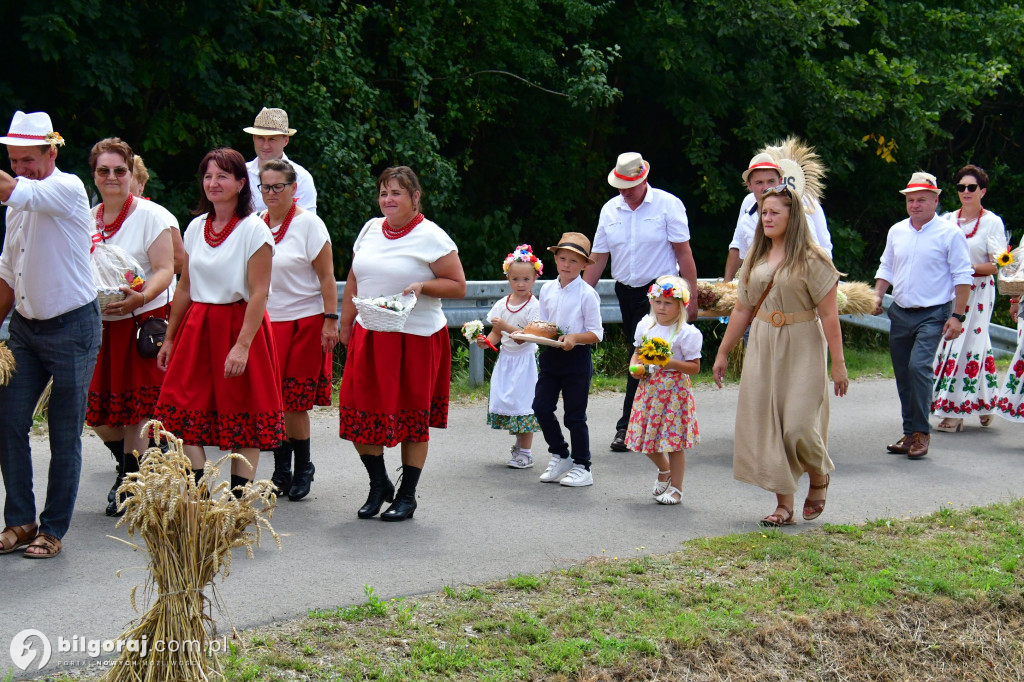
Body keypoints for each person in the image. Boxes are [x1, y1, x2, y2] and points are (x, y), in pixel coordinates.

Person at [712, 178, 847, 527]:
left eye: (774, 212)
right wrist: (723, 352)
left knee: (797, 427)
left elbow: (830, 316)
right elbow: (742, 308)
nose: (766, 218)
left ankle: (819, 476)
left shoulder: (813, 259)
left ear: (793, 217)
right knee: (771, 426)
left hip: (803, 342)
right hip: (763, 341)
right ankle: (784, 505)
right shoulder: (755, 256)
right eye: (762, 212)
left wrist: (839, 366)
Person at [338, 166, 466, 521]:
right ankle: (379, 484)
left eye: (396, 193)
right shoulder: (369, 229)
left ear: (415, 197)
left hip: (416, 338)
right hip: (371, 331)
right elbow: (353, 278)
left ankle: (407, 495)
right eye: (383, 193)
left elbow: (458, 285)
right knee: (357, 413)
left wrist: (424, 287)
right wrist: (346, 324)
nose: (388, 200)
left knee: (412, 419)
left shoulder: (432, 236)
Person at [0, 111, 101, 558]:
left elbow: (15, 189)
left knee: (64, 433)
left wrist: (16, 183)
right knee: (8, 422)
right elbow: (8, 273)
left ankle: (53, 527)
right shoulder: (20, 206)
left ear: (51, 152)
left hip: (72, 325)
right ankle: (20, 519)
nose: (21, 167)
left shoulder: (68, 187)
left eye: (28, 159)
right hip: (26, 327)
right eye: (13, 160)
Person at [155, 148, 285, 492]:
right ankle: (201, 495)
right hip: (198, 326)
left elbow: (259, 293)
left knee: (246, 415)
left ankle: (240, 502)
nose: (213, 183)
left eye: (223, 176)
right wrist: (169, 338)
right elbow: (184, 287)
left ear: (241, 183)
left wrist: (242, 346)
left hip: (239, 325)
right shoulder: (196, 227)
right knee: (179, 413)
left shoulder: (254, 231)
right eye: (208, 176)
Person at [84, 138, 176, 517]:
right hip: (101, 323)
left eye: (119, 170)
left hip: (143, 322)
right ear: (94, 175)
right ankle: (141, 460)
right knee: (98, 413)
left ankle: (131, 481)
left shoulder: (151, 216)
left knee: (138, 409)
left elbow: (166, 269)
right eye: (103, 171)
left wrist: (140, 298)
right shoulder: (87, 218)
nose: (111, 177)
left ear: (130, 173)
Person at [584, 152, 698, 453]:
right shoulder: (610, 210)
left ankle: (627, 428)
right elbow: (598, 257)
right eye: (619, 185)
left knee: (645, 354)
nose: (624, 192)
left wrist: (693, 297)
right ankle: (646, 424)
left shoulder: (668, 205)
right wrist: (579, 295)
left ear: (643, 178)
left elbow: (684, 254)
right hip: (627, 292)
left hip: (662, 295)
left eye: (629, 186)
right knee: (641, 357)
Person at [875, 172, 973, 458]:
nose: (915, 205)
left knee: (919, 368)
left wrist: (957, 316)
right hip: (901, 312)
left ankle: (921, 434)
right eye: (911, 199)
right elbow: (886, 267)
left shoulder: (950, 233)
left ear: (936, 200)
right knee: (904, 374)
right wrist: (878, 295)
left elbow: (962, 277)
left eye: (922, 199)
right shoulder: (897, 231)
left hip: (933, 313)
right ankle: (909, 433)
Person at [258, 159, 338, 500]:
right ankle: (281, 469)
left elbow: (326, 277)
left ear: (293, 189)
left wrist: (330, 320)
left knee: (294, 402)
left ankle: (303, 467)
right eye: (266, 186)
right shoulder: (255, 224)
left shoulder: (310, 225)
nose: (272, 192)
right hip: (266, 322)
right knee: (273, 399)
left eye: (279, 186)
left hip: (304, 322)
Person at [931, 165, 1006, 431]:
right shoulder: (948, 220)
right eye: (961, 187)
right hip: (951, 290)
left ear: (982, 191)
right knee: (970, 343)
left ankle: (954, 411)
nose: (965, 191)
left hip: (979, 291)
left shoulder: (992, 222)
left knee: (964, 344)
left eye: (971, 187)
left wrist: (965, 268)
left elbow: (998, 264)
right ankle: (986, 402)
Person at [624, 276, 702, 504]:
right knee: (643, 438)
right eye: (657, 302)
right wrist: (633, 368)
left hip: (674, 392)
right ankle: (664, 470)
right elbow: (637, 353)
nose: (661, 307)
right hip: (649, 389)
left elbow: (695, 368)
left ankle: (676, 489)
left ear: (681, 305)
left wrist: (671, 363)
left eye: (668, 303)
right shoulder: (645, 326)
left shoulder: (686, 333)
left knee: (673, 443)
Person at [535, 232, 604, 487]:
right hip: (550, 355)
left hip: (576, 358)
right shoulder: (547, 289)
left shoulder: (587, 294)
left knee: (574, 415)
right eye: (562, 258)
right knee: (541, 407)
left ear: (585, 265)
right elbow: (543, 325)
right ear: (554, 259)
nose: (566, 264)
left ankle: (583, 466)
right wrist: (527, 335)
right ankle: (560, 454)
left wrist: (575, 337)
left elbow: (597, 333)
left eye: (574, 261)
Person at [724, 139, 832, 282]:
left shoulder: (800, 213)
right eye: (759, 183)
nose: (766, 188)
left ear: (780, 181)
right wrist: (726, 286)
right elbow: (739, 249)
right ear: (749, 185)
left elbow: (820, 253)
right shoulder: (747, 216)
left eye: (771, 181)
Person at [477, 244, 542, 468]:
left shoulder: (534, 307)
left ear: (534, 278)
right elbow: (496, 333)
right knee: (512, 402)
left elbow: (526, 337)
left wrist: (504, 325)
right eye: (515, 279)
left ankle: (526, 452)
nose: (521, 284)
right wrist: (486, 342)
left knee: (525, 403)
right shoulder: (501, 305)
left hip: (525, 361)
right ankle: (518, 446)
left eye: (526, 279)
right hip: (507, 360)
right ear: (508, 278)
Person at [243, 107, 317, 214]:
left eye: (272, 139)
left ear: (285, 140)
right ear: (253, 138)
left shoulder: (301, 177)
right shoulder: (241, 173)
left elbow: (308, 224)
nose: (265, 145)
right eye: (260, 138)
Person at [130, 154, 185, 274]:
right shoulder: (95, 216)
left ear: (142, 184)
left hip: (149, 291)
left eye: (128, 176)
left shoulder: (160, 216)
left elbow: (180, 261)